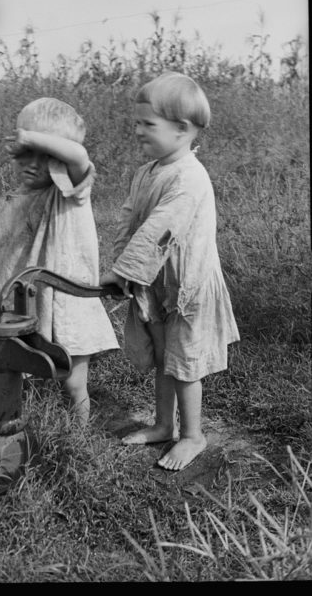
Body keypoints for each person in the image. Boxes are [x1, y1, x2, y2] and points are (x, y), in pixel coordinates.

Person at [101, 72, 240, 471]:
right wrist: (121, 270)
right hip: (157, 282)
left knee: (184, 363)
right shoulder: (147, 172)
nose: (138, 130)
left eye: (148, 124)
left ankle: (193, 434)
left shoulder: (189, 176)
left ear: (181, 129)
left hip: (189, 288)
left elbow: (161, 226)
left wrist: (129, 270)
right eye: (137, 122)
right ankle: (164, 424)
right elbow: (130, 223)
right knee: (164, 357)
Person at [0, 97, 119, 427]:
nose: (33, 163)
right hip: (19, 308)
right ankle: (17, 427)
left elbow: (80, 157)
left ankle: (79, 437)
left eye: (46, 156)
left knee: (72, 381)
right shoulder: (7, 203)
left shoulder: (69, 195)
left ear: (59, 159)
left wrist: (28, 138)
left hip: (65, 307)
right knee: (14, 372)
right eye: (25, 153)